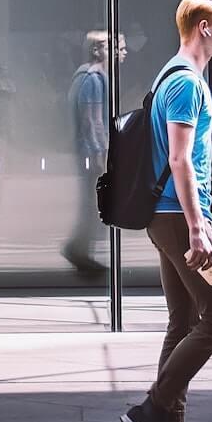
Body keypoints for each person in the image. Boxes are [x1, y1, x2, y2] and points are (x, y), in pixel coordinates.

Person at [120, 0, 212, 422]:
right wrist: (197, 226)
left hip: (164, 217)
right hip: (178, 218)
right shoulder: (187, 84)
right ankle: (153, 410)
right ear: (204, 27)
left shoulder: (169, 74)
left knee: (184, 322)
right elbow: (180, 158)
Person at [61, 30, 125, 274]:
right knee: (93, 205)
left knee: (92, 205)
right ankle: (78, 250)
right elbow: (91, 121)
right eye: (115, 48)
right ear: (97, 50)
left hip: (89, 150)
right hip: (91, 152)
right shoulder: (92, 79)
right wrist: (101, 155)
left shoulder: (91, 77)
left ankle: (80, 250)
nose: (121, 53)